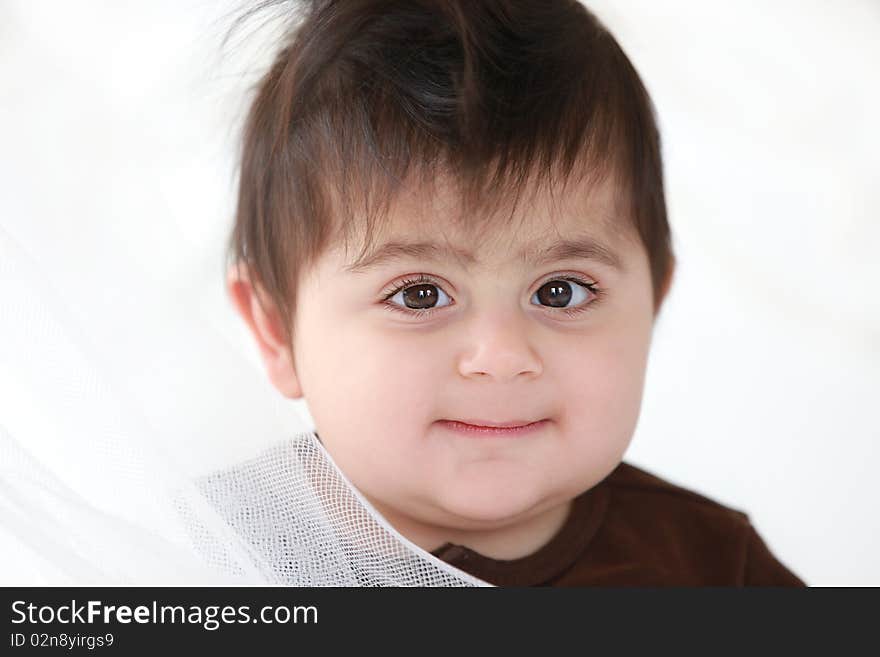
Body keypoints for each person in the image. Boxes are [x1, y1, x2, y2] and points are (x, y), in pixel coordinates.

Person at [224, 0, 805, 586]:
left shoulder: (711, 567)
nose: (501, 357)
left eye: (560, 292)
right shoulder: (204, 561)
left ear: (653, 304)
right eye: (420, 295)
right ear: (276, 331)